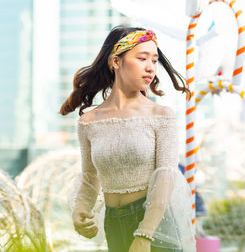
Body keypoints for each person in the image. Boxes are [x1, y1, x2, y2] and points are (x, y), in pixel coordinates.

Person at [60, 26, 196, 252]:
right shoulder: (88, 122)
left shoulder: (161, 116)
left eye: (154, 60)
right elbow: (89, 177)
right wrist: (79, 209)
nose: (151, 67)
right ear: (116, 62)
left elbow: (166, 176)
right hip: (113, 223)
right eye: (142, 58)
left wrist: (145, 234)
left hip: (154, 226)